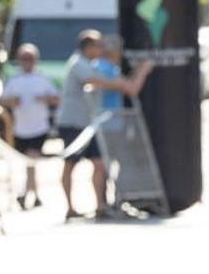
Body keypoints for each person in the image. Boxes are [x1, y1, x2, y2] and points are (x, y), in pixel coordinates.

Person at [57, 30, 150, 220]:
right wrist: (123, 82)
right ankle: (69, 208)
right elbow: (97, 82)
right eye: (99, 45)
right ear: (88, 47)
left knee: (100, 164)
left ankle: (100, 206)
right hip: (73, 123)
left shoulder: (91, 65)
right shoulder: (79, 64)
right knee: (70, 165)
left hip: (90, 125)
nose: (102, 49)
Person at [0, 43, 58, 210]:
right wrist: (12, 102)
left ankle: (25, 194)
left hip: (39, 127)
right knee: (29, 164)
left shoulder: (43, 79)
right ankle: (35, 195)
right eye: (24, 58)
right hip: (21, 129)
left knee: (31, 161)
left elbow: (56, 99)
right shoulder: (14, 80)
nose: (27, 62)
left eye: (30, 58)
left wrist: (44, 99)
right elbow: (2, 100)